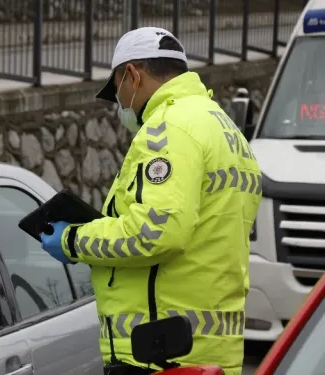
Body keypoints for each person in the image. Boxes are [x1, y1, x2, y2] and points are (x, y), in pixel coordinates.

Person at [40, 27, 261, 375]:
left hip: (159, 351)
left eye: (116, 91)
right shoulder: (224, 128)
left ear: (132, 74)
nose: (119, 104)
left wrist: (72, 239)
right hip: (212, 352)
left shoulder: (168, 128)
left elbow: (155, 232)